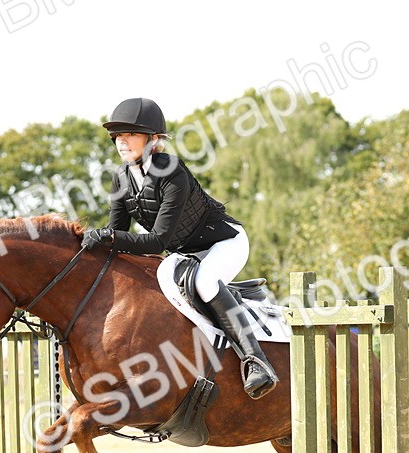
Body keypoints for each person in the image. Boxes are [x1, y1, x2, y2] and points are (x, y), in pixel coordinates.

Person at [80, 97, 277, 399]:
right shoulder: (120, 178)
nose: (122, 142)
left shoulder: (171, 171)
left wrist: (107, 237)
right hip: (185, 253)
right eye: (118, 136)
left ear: (153, 139)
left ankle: (257, 362)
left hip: (224, 242)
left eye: (130, 134)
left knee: (205, 281)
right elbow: (118, 234)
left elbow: (157, 241)